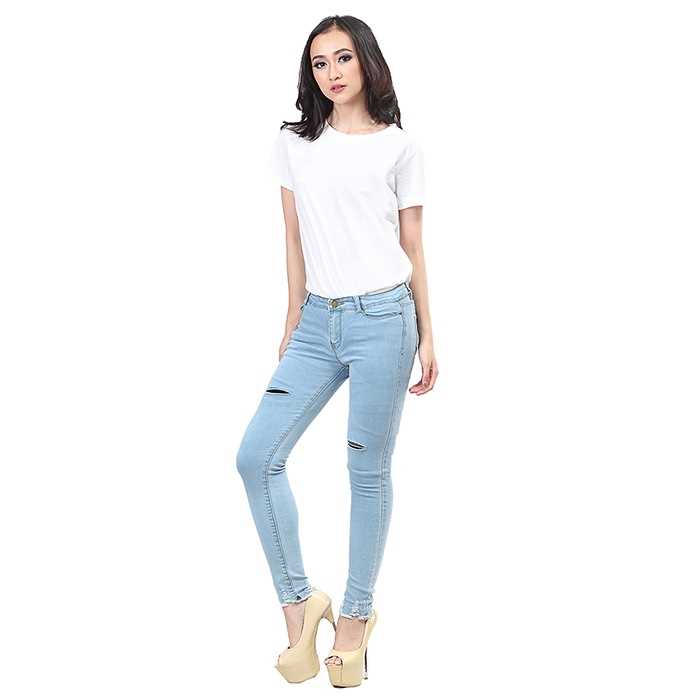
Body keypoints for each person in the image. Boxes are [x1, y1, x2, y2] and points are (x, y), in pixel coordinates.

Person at [236, 14, 438, 687]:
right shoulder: (296, 143)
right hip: (317, 323)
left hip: (385, 319)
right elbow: (292, 235)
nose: (332, 73)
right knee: (256, 456)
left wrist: (429, 333)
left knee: (366, 472)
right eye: (319, 63)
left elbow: (413, 245)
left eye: (343, 58)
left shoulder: (399, 147)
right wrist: (292, 315)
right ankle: (300, 605)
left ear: (366, 62)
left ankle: (355, 617)